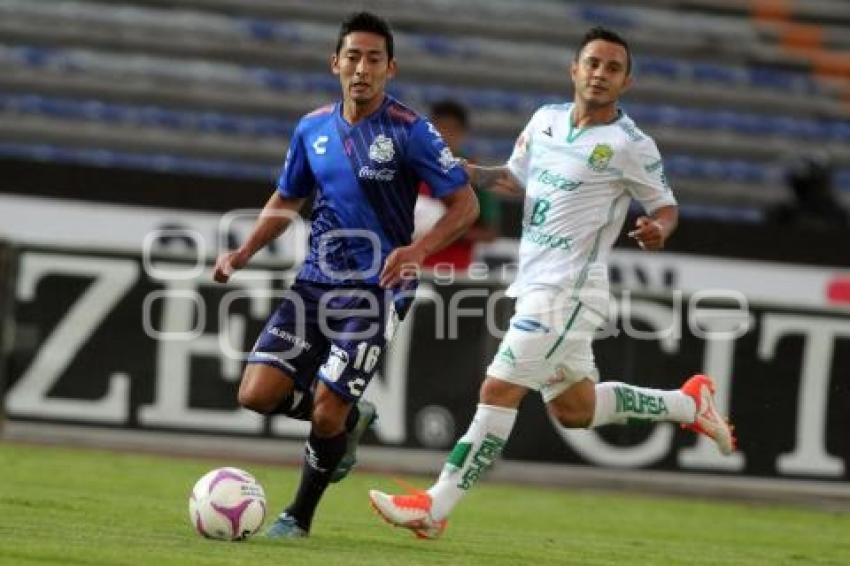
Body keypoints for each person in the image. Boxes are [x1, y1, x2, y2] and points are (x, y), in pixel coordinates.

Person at [369, 26, 736, 539]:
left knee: (498, 387)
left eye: (612, 68)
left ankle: (435, 504)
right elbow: (514, 178)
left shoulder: (630, 144)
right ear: (574, 69)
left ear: (627, 82)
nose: (600, 74)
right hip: (533, 283)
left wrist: (659, 227)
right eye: (593, 64)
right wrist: (465, 171)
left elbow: (665, 205)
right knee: (576, 410)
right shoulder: (544, 121)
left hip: (568, 291)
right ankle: (687, 403)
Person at [213, 11, 478, 538]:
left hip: (376, 290)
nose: (362, 68)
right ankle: (352, 422)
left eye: (374, 59)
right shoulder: (312, 127)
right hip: (314, 283)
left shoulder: (410, 131)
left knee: (327, 411)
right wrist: (243, 252)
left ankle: (297, 517)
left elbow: (465, 203)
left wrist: (416, 250)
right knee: (256, 394)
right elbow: (288, 197)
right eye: (352, 57)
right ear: (335, 63)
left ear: (390, 68)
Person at [415, 99, 500, 270]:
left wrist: (444, 228)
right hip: (411, 268)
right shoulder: (409, 168)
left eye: (451, 130)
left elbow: (490, 233)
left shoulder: (476, 175)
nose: (444, 135)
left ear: (462, 133)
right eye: (438, 128)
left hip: (454, 273)